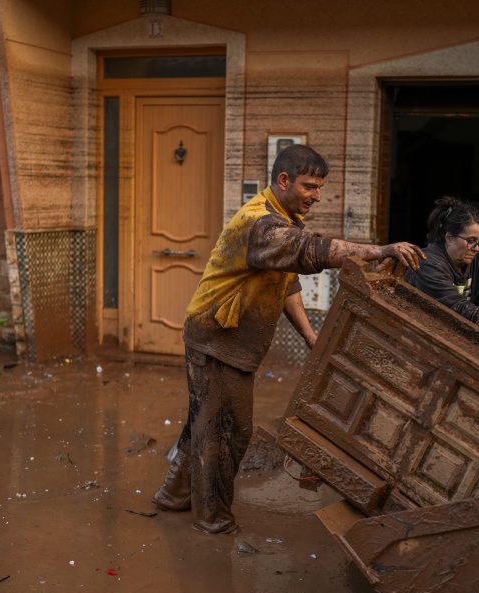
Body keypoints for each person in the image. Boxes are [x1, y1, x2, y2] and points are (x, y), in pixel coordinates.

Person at [152, 144, 425, 534]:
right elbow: (311, 250)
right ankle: (212, 521)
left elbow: (287, 284)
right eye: (309, 186)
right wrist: (378, 249)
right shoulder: (260, 224)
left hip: (225, 341)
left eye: (320, 188)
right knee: (227, 432)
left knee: (206, 422)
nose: (317, 196)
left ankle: (174, 496)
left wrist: (311, 336)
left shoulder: (281, 220)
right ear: (283, 181)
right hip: (218, 341)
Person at [405, 196, 479, 322]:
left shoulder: (475, 260)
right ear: (449, 238)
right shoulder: (428, 264)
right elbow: (458, 307)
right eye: (471, 241)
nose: (476, 249)